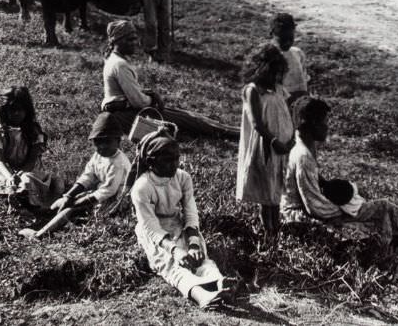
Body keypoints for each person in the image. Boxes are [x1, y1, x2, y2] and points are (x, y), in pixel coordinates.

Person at [282, 96, 398, 249]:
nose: (327, 127)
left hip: (314, 209)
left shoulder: (306, 146)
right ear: (312, 124)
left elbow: (314, 184)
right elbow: (312, 204)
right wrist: (341, 213)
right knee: (363, 228)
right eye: (324, 122)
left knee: (382, 207)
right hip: (300, 218)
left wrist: (340, 195)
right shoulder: (302, 155)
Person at [131, 130, 234, 310]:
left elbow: (190, 212)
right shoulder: (142, 187)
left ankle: (219, 283)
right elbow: (149, 225)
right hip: (155, 233)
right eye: (167, 160)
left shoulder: (182, 177)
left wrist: (193, 242)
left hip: (178, 224)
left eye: (177, 158)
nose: (174, 164)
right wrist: (174, 250)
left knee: (199, 257)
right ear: (150, 162)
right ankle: (201, 295)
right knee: (170, 264)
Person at [102, 19, 238, 139]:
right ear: (116, 41)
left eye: (134, 38)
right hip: (127, 117)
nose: (134, 43)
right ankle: (232, 133)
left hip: (125, 113)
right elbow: (138, 102)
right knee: (189, 121)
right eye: (129, 39)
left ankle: (229, 129)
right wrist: (153, 99)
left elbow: (128, 95)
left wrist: (150, 95)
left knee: (187, 115)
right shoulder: (120, 65)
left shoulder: (114, 60)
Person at [19, 112, 131, 239]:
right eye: (98, 142)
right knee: (62, 202)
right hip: (98, 194)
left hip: (114, 201)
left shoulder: (118, 163)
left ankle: (40, 234)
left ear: (118, 141)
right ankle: (44, 220)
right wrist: (68, 196)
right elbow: (87, 176)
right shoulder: (99, 155)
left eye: (107, 142)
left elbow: (108, 191)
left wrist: (78, 203)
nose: (102, 146)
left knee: (71, 209)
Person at [236, 44, 295, 249]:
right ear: (262, 69)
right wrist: (273, 141)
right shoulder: (253, 90)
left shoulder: (278, 89)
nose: (277, 76)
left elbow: (287, 113)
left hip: (282, 146)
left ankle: (275, 228)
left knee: (276, 189)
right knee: (266, 191)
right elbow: (257, 124)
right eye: (273, 71)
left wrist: (291, 137)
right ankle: (268, 233)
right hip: (266, 147)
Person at [0, 87, 58, 210]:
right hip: (6, 169)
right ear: (4, 111)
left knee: (26, 181)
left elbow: (32, 159)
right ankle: (17, 198)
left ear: (27, 110)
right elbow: (0, 161)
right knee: (5, 183)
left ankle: (23, 198)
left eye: (20, 110)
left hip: (29, 169)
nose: (16, 114)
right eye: (12, 110)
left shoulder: (34, 132)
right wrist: (10, 176)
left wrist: (20, 174)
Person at [270, 12, 309, 105]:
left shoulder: (298, 53)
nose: (287, 43)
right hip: (279, 104)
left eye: (290, 38)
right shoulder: (268, 56)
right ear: (271, 34)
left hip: (300, 101)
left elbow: (305, 79)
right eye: (283, 39)